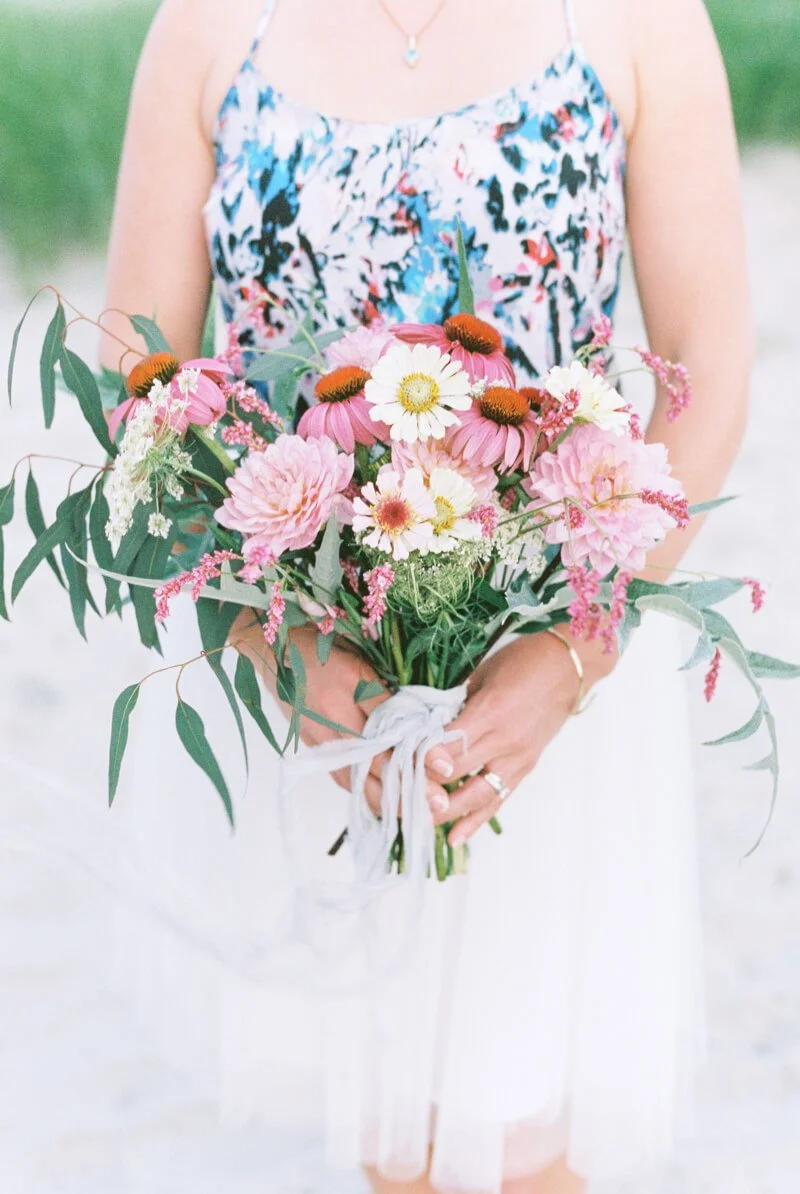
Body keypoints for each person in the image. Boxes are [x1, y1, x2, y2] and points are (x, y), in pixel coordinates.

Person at [100, 0, 752, 1191]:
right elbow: (137, 382)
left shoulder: (638, 23)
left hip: (547, 667)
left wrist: (562, 659)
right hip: (309, 679)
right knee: (394, 1143)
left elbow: (702, 376)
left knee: (522, 1143)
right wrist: (286, 650)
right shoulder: (204, 31)